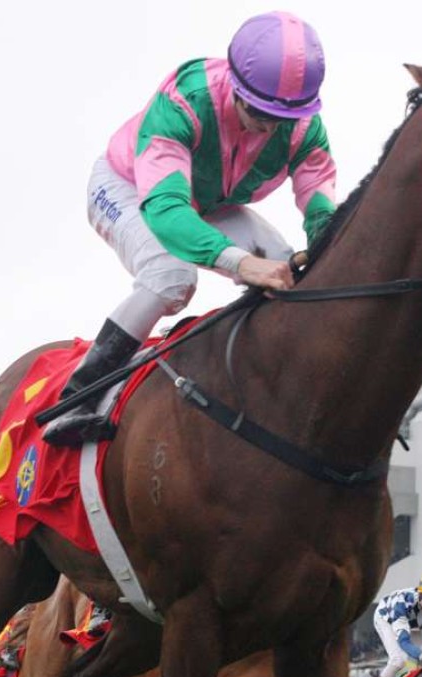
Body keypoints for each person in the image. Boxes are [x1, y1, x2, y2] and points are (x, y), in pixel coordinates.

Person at [43, 10, 337, 447]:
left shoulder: (303, 127)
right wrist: (240, 263)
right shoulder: (186, 101)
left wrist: (328, 250)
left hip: (207, 201)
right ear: (235, 85)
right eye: (259, 110)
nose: (270, 125)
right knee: (171, 278)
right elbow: (165, 209)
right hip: (131, 188)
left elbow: (319, 201)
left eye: (284, 116)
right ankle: (76, 400)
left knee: (285, 266)